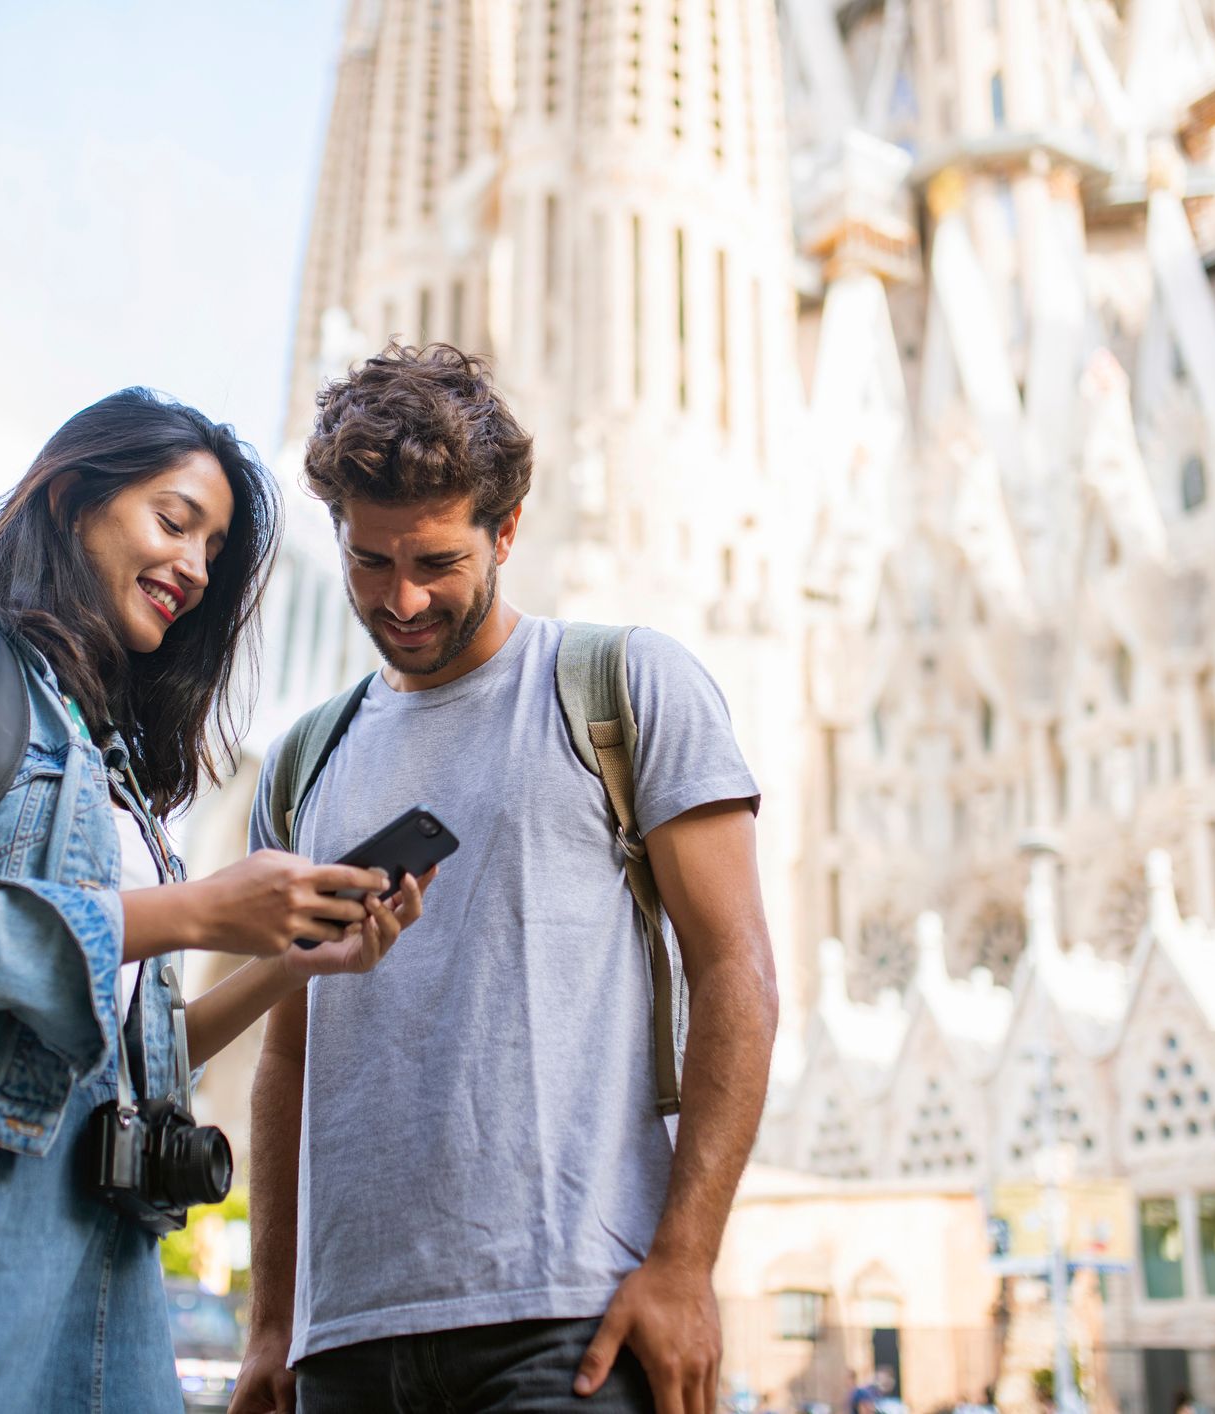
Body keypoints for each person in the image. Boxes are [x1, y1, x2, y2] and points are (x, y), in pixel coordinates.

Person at [0, 389, 432, 1412]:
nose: (195, 571)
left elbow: (138, 1047)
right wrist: (194, 911)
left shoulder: (111, 759)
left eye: (213, 552)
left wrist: (292, 959)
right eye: (174, 522)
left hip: (111, 1237)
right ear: (72, 498)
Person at [229, 345, 778, 1414]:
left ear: (507, 530)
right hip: (346, 1344)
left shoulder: (623, 686)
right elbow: (286, 1054)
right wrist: (270, 1322)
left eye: (436, 561)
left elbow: (736, 971)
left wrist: (686, 1262)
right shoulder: (305, 761)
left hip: (567, 1319)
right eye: (370, 563)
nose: (402, 597)